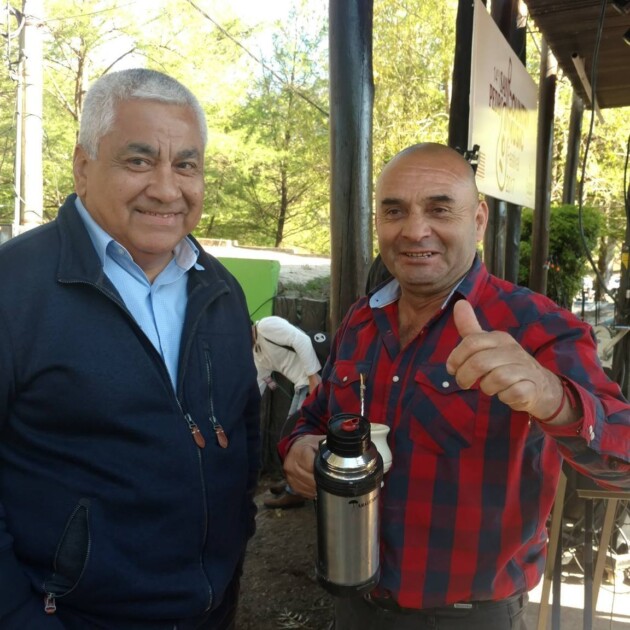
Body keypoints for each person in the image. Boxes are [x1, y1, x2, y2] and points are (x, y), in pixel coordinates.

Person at [280, 143, 630, 630]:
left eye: (439, 209)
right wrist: (299, 447)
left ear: (479, 221)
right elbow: (315, 415)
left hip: (472, 617)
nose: (414, 230)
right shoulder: (361, 320)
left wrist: (554, 399)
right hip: (355, 605)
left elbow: (623, 466)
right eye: (394, 211)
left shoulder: (537, 326)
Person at [0, 69, 260, 630]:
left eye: (186, 165)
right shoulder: (12, 288)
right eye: (139, 161)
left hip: (209, 612)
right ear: (82, 167)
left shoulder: (221, 291)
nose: (167, 189)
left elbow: (241, 431)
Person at [253, 316, 322, 508]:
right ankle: (293, 482)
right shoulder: (256, 352)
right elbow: (257, 387)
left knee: (293, 436)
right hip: (302, 385)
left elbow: (302, 340)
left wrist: (313, 378)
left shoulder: (266, 326)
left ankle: (296, 491)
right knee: (288, 437)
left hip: (314, 380)